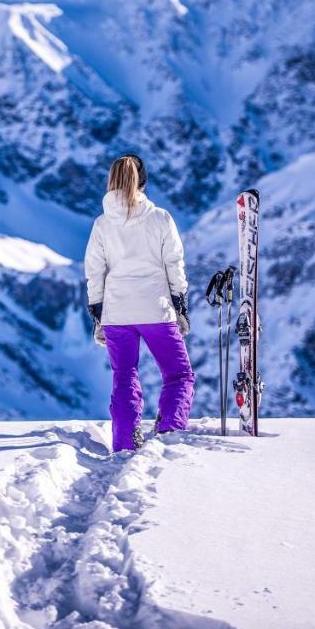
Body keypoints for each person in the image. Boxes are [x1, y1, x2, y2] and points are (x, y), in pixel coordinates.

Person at [84, 154, 193, 452]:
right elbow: (174, 264)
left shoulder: (102, 224)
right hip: (156, 309)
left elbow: (95, 272)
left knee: (124, 375)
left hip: (117, 312)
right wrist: (180, 305)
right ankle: (170, 431)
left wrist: (98, 315)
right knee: (178, 374)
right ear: (143, 181)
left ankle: (125, 441)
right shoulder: (160, 218)